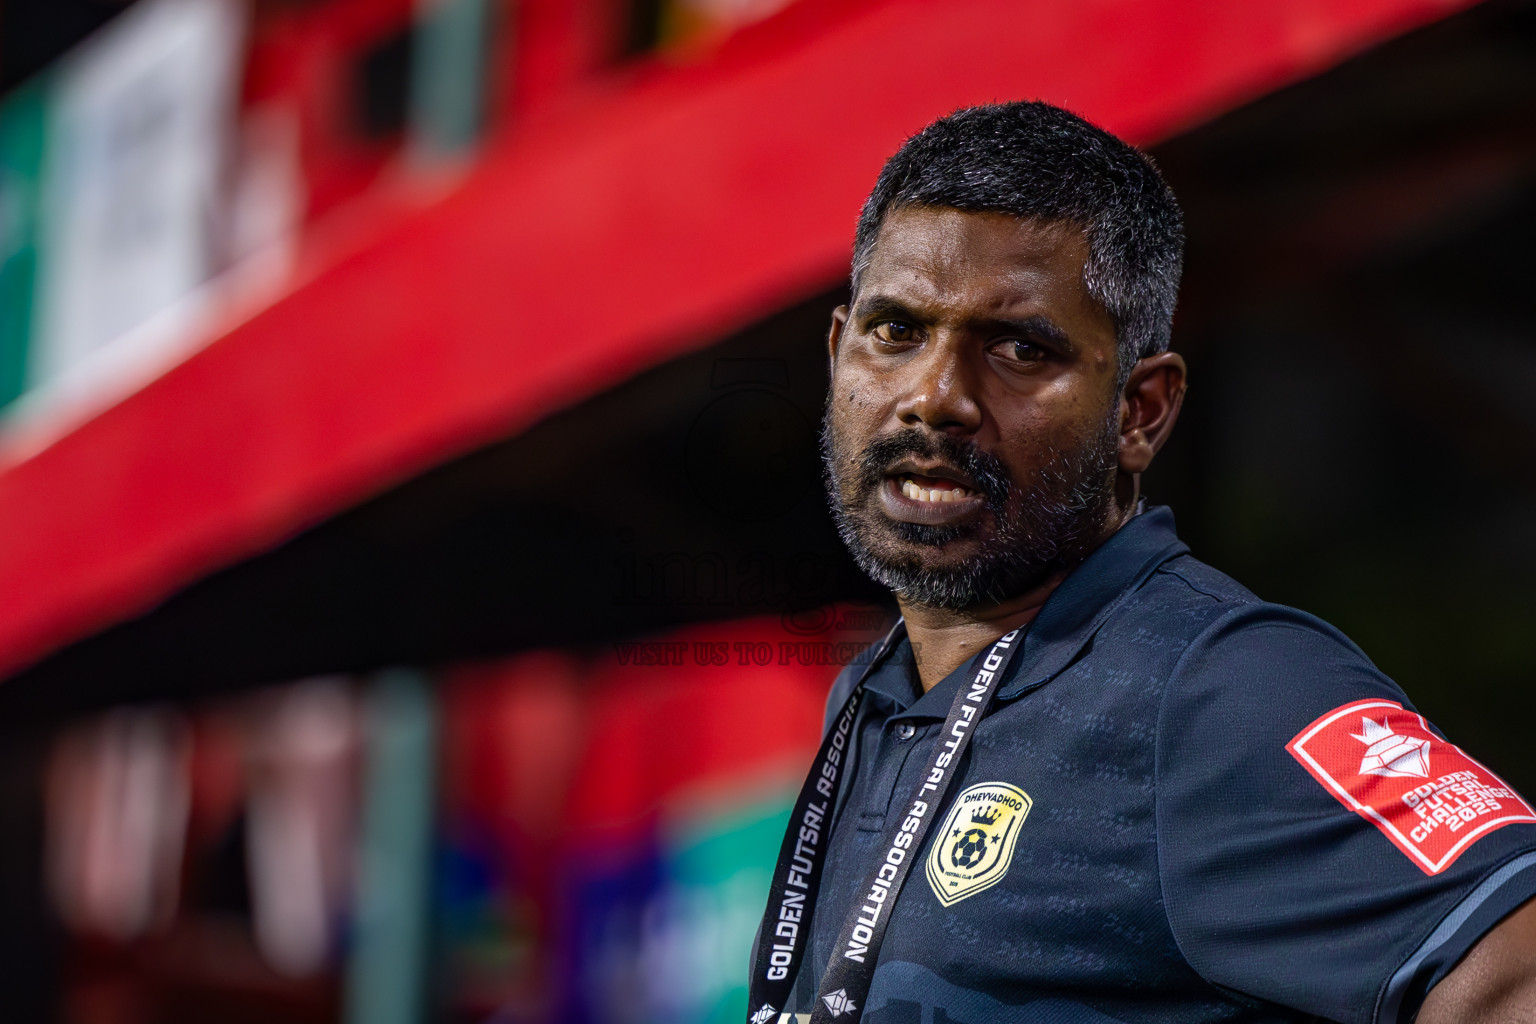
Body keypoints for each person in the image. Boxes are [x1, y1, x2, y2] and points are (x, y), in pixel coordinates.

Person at [746, 102, 1536, 1024]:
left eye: (1017, 348)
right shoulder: (876, 698)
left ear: (1140, 412)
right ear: (840, 352)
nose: (935, 397)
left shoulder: (1220, 685)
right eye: (896, 332)